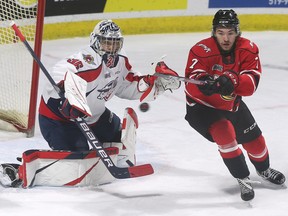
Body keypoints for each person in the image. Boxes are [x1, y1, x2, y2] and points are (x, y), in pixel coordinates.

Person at [0, 19, 181, 188]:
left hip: (95, 116)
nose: (111, 48)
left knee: (119, 143)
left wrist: (153, 83)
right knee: (78, 160)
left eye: (115, 43)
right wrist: (67, 93)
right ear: (95, 41)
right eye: (106, 42)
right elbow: (61, 70)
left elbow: (127, 86)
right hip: (60, 120)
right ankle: (20, 171)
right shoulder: (87, 60)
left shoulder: (121, 62)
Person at [184, 9, 285, 201]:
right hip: (203, 108)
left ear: (237, 32)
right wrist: (204, 83)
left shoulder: (248, 48)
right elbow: (191, 85)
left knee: (256, 143)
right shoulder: (200, 50)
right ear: (214, 32)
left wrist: (232, 81)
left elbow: (251, 84)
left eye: (230, 33)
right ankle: (242, 177)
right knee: (225, 134)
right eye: (221, 33)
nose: (226, 38)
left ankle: (264, 170)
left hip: (232, 104)